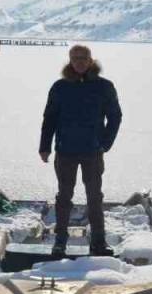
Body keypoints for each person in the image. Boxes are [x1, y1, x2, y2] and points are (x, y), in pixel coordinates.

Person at [39, 44, 122, 258]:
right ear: (70, 60)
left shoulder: (104, 87)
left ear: (90, 59)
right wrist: (44, 146)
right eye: (75, 58)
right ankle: (60, 242)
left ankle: (98, 242)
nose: (79, 61)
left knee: (94, 196)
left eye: (83, 57)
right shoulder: (60, 87)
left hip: (92, 152)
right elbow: (50, 118)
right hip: (65, 150)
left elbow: (115, 116)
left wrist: (105, 143)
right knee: (64, 196)